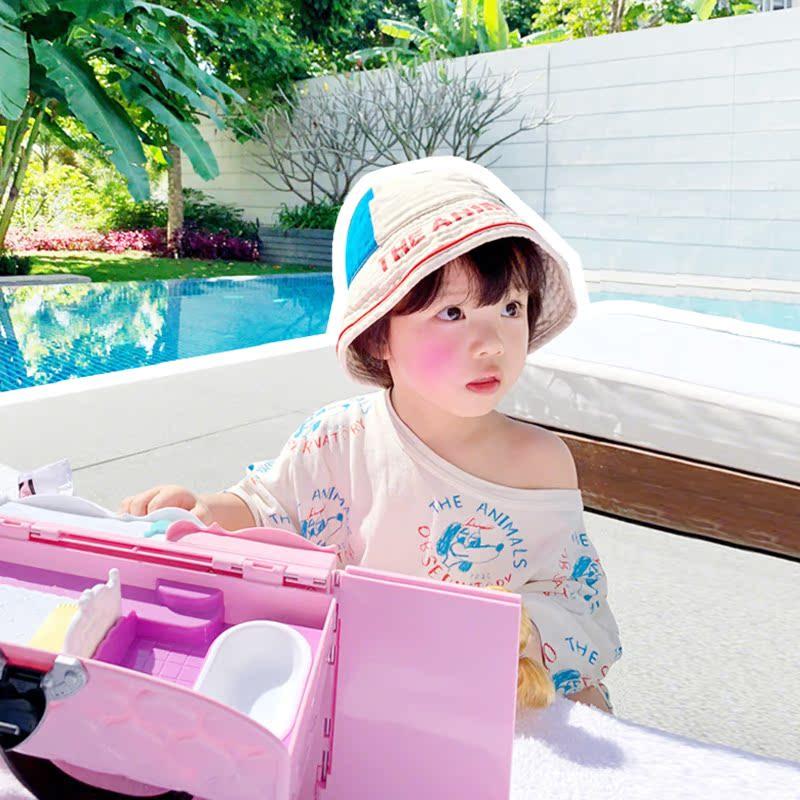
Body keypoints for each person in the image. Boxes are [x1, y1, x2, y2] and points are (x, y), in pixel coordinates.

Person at [120, 156, 623, 714]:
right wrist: (202, 508)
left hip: (496, 706)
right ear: (379, 337)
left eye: (509, 308)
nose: (492, 343)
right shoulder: (336, 439)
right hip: (373, 696)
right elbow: (267, 507)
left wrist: (518, 631)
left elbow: (581, 611)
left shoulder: (539, 463)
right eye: (452, 313)